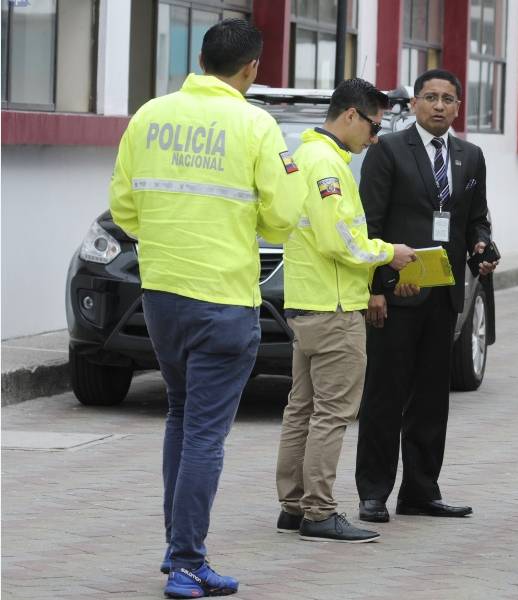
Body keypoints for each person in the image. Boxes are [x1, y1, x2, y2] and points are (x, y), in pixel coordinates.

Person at [109, 19, 303, 599]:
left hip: (163, 295)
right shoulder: (254, 123)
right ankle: (186, 561)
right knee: (203, 435)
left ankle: (180, 553)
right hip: (222, 299)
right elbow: (283, 216)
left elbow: (124, 206)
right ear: (252, 69)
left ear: (200, 58)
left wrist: (169, 243)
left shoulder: (149, 115)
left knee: (180, 414)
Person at [274, 79, 416, 543]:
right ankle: (319, 510)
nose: (374, 139)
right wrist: (386, 252)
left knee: (302, 409)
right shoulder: (326, 165)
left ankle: (293, 506)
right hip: (334, 307)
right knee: (331, 413)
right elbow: (342, 240)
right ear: (351, 116)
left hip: (307, 303)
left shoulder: (304, 155)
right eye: (373, 127)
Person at [354, 69, 495, 523]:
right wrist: (376, 287)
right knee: (384, 396)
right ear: (414, 104)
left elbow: (475, 218)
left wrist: (480, 246)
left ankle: (420, 490)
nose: (439, 106)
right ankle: (373, 492)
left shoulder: (470, 156)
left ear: (458, 107)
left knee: (432, 400)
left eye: (447, 99)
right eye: (430, 97)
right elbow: (369, 225)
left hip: (443, 296)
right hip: (396, 295)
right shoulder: (388, 151)